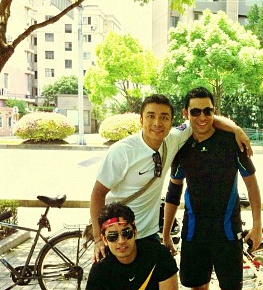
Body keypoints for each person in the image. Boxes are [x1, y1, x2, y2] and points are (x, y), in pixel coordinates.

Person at [162, 86, 263, 290]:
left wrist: (257, 225)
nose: (203, 117)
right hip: (194, 231)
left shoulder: (231, 141)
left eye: (208, 110)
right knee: (197, 289)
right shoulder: (181, 144)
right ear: (186, 114)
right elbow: (173, 191)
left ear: (214, 112)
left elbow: (252, 184)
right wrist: (166, 233)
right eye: (196, 111)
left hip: (227, 230)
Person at [89, 93, 252, 263]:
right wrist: (99, 238)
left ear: (172, 121)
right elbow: (97, 194)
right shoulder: (122, 151)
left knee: (155, 287)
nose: (157, 123)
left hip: (149, 234)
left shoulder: (173, 138)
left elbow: (205, 119)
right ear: (141, 120)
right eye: (151, 116)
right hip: (118, 237)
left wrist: (236, 130)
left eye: (164, 117)